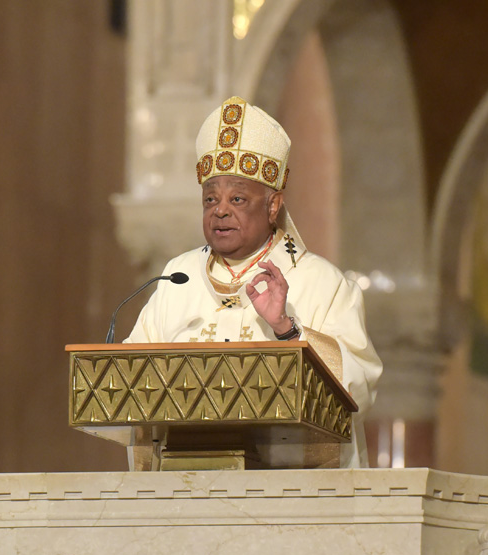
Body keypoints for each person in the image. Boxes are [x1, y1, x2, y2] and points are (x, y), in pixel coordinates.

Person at [125, 96, 381, 468]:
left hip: (292, 498)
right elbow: (128, 382)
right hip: (185, 498)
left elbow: (360, 385)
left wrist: (285, 329)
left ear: (273, 205)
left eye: (238, 198)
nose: (220, 210)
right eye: (210, 199)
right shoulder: (176, 279)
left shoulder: (322, 283)